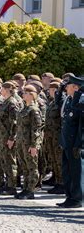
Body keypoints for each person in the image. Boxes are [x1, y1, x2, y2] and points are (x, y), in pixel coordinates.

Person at [56, 75, 83, 208]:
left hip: (75, 143)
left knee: (76, 171)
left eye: (68, 85)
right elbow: (57, 106)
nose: (66, 87)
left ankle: (77, 198)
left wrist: (80, 144)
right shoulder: (69, 100)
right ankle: (69, 196)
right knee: (67, 171)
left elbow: (81, 126)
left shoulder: (80, 102)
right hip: (67, 141)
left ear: (76, 87)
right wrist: (60, 90)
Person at [15, 85, 42, 200]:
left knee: (32, 167)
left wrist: (34, 145)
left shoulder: (34, 110)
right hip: (21, 142)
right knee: (24, 167)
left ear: (32, 95)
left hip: (29, 143)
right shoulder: (24, 109)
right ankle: (25, 188)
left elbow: (36, 129)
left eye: (26, 93)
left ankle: (30, 190)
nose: (23, 94)